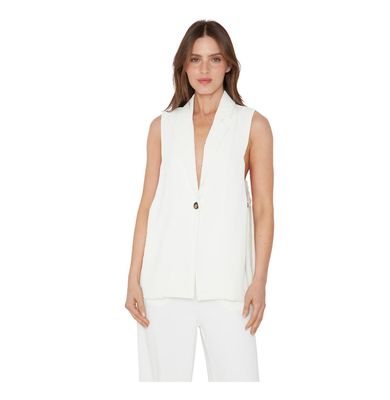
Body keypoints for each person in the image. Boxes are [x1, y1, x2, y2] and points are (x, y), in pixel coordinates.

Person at [125, 19, 274, 382]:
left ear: (229, 65)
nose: (204, 69)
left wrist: (259, 281)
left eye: (214, 59)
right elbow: (146, 206)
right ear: (184, 66)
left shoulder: (253, 125)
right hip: (163, 282)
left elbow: (263, 209)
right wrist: (133, 278)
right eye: (195, 59)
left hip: (228, 284)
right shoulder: (162, 127)